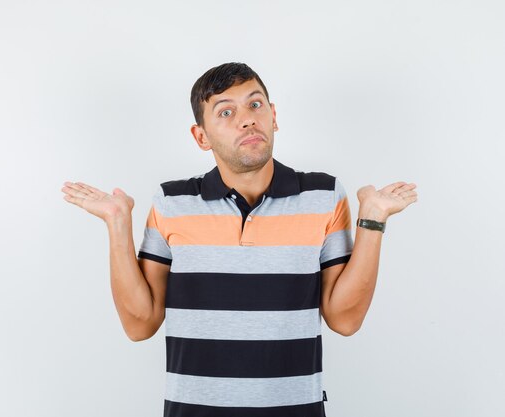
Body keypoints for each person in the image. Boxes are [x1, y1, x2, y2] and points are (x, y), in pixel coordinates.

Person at [61, 62, 418, 417]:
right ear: (201, 136)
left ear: (274, 116)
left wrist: (373, 219)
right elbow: (140, 325)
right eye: (226, 111)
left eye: (255, 104)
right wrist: (117, 222)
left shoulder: (323, 195)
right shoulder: (172, 202)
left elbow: (345, 320)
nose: (247, 119)